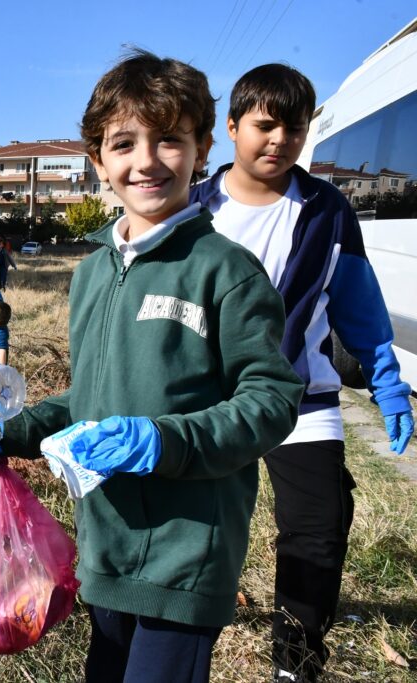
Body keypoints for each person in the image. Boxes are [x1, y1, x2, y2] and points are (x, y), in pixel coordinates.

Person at [0, 50, 303, 683]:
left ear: (202, 147)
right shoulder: (92, 273)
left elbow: (271, 399)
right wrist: (5, 429)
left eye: (169, 140)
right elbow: (92, 397)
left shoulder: (226, 270)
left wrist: (164, 439)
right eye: (124, 143)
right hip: (106, 539)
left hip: (186, 552)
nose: (147, 161)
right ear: (98, 160)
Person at [189, 64, 414, 683]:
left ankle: (296, 661)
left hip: (301, 403)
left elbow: (359, 306)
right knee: (197, 529)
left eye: (294, 127)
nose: (279, 140)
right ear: (232, 127)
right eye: (264, 125)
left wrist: (388, 381)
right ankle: (184, 636)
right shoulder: (193, 209)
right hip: (211, 405)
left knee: (319, 533)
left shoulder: (327, 211)